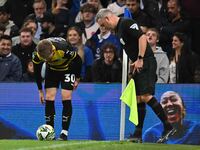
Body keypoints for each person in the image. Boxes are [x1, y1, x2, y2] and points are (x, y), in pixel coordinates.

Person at [95, 8, 175, 143]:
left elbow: (142, 38)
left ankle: (168, 126)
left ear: (108, 18)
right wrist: (134, 62)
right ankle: (137, 134)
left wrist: (140, 58)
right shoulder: (118, 30)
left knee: (146, 96)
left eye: (103, 24)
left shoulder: (126, 23)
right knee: (138, 99)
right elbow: (132, 46)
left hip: (147, 62)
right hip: (139, 63)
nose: (103, 28)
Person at [32, 37, 82, 140]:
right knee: (49, 97)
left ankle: (64, 132)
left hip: (68, 69)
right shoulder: (37, 54)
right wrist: (40, 91)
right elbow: (36, 72)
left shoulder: (63, 49)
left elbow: (78, 60)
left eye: (49, 58)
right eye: (44, 60)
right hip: (52, 71)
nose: (47, 60)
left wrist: (77, 78)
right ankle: (50, 131)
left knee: (66, 96)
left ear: (53, 50)